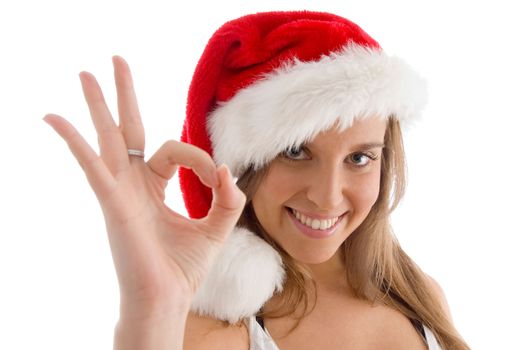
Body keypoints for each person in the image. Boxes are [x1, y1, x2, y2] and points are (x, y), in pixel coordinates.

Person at [44, 10, 469, 350]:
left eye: (359, 157)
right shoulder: (218, 331)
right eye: (295, 151)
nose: (327, 196)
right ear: (239, 168)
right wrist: (150, 309)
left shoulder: (420, 297)